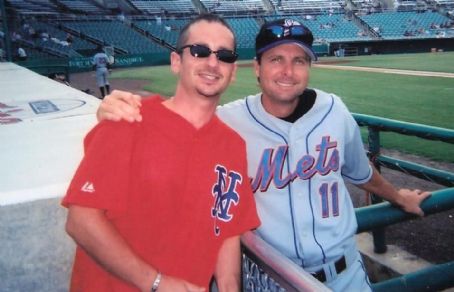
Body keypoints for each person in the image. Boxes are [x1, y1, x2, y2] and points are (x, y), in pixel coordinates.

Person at [97, 18, 430, 291]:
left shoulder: (335, 111)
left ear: (308, 67)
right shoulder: (227, 121)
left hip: (347, 277)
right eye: (276, 60)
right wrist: (120, 109)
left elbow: (360, 173)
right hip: (271, 279)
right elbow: (174, 120)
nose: (288, 70)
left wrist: (399, 197)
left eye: (298, 60)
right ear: (256, 67)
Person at [62, 14, 260, 292]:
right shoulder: (129, 119)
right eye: (200, 51)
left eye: (224, 56)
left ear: (233, 70)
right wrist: (156, 283)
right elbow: (81, 221)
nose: (213, 63)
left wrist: (229, 286)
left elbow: (225, 229)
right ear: (176, 62)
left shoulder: (233, 146)